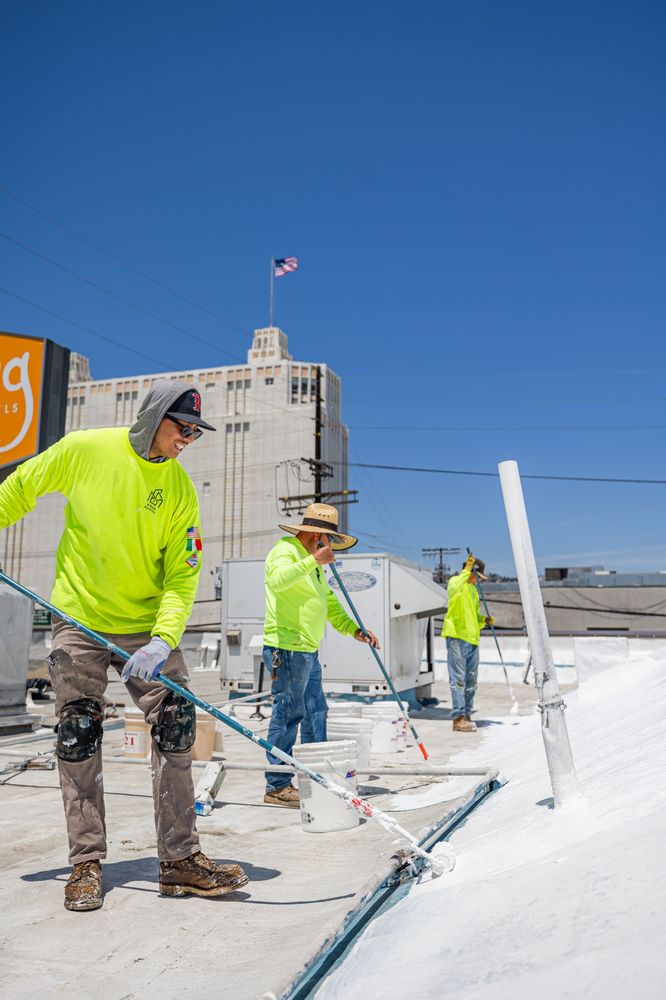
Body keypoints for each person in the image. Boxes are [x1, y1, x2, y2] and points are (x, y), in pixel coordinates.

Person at [0, 380, 248, 910]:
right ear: (156, 416)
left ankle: (180, 860)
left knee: (179, 726)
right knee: (79, 732)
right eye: (183, 428)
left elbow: (184, 573)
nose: (189, 439)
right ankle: (85, 864)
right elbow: (20, 487)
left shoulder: (179, 490)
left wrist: (163, 639)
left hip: (145, 627)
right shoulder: (84, 449)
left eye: (196, 433)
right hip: (80, 618)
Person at [261, 503, 380, 806]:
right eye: (326, 539)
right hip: (287, 647)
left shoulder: (313, 567)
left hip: (307, 650)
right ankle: (277, 785)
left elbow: (330, 604)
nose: (328, 545)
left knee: (315, 711)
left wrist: (354, 630)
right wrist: (312, 560)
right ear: (317, 534)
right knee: (288, 713)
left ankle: (314, 774)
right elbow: (276, 581)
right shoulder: (285, 550)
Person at [443, 553, 494, 732]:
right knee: (458, 679)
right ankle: (458, 718)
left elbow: (474, 614)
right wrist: (465, 570)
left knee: (471, 680)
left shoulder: (473, 591)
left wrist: (483, 621)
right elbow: (455, 587)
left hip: (472, 638)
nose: (479, 581)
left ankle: (467, 714)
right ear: (472, 572)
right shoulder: (456, 582)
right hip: (457, 636)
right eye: (478, 577)